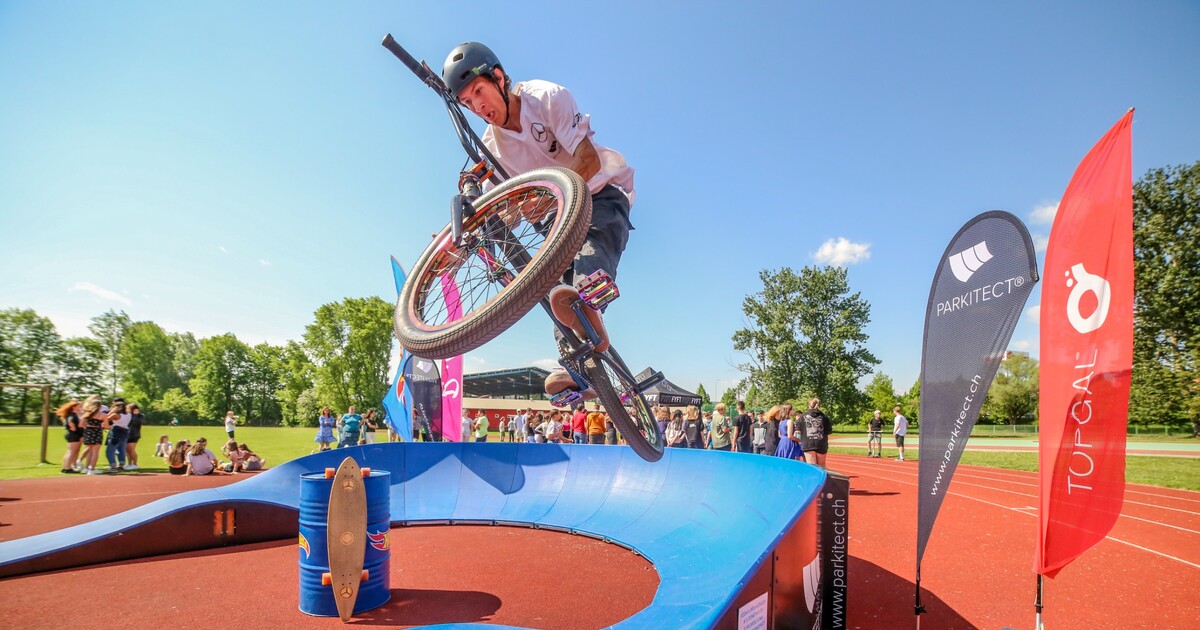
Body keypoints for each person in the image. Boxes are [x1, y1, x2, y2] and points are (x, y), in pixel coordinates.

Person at [441, 43, 636, 394]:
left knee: (593, 247)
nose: (479, 107)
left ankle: (592, 291)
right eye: (468, 103)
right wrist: (454, 247)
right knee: (554, 290)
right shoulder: (492, 147)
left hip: (599, 192)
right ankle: (581, 370)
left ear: (498, 78)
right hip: (553, 223)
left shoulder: (545, 97)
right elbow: (497, 213)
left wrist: (545, 198)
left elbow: (588, 158)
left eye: (480, 92)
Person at [78, 395, 109, 475]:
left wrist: (88, 426)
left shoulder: (86, 414)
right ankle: (92, 468)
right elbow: (106, 426)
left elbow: (80, 425)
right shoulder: (103, 415)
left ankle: (84, 464)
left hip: (88, 432)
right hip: (97, 432)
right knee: (95, 451)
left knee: (88, 449)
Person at [799, 398, 833, 468]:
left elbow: (798, 431)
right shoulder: (824, 417)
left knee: (811, 467)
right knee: (822, 467)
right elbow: (828, 431)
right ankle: (823, 479)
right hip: (821, 443)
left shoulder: (802, 417)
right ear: (819, 405)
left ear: (808, 405)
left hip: (808, 443)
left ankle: (812, 479)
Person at [104, 398, 132, 472]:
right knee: (121, 449)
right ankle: (121, 464)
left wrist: (111, 412)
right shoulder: (129, 414)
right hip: (125, 431)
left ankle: (112, 465)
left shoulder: (115, 415)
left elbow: (105, 418)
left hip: (116, 431)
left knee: (110, 450)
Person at [56, 400, 83, 474]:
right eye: (79, 406)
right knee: (71, 452)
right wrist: (74, 428)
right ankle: (67, 468)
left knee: (71, 451)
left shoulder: (72, 414)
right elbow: (71, 423)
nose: (81, 407)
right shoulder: (72, 415)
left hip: (72, 434)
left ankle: (66, 467)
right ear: (74, 407)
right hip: (73, 434)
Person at [125, 403, 144, 471]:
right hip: (127, 434)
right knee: (127, 450)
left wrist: (135, 415)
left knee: (131, 449)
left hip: (134, 434)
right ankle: (129, 463)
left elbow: (137, 423)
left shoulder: (140, 416)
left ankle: (135, 464)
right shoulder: (128, 415)